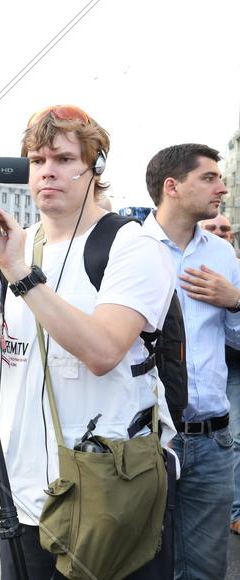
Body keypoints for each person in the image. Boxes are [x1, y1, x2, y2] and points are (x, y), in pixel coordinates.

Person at [0, 105, 177, 578]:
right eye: (37, 161)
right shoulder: (18, 244)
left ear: (95, 168)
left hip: (104, 487)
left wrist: (20, 273)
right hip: (22, 486)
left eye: (63, 159)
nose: (47, 171)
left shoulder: (132, 246)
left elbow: (103, 351)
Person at [144, 145, 240, 579]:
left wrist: (235, 301)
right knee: (140, 561)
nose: (222, 188)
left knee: (205, 569)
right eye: (209, 178)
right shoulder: (131, 249)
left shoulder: (221, 255)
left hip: (212, 441)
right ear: (173, 186)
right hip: (147, 440)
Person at [199, 213, 240, 536]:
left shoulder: (234, 267)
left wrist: (234, 300)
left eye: (224, 229)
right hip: (203, 373)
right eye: (211, 228)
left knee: (235, 437)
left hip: (234, 365)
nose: (219, 233)